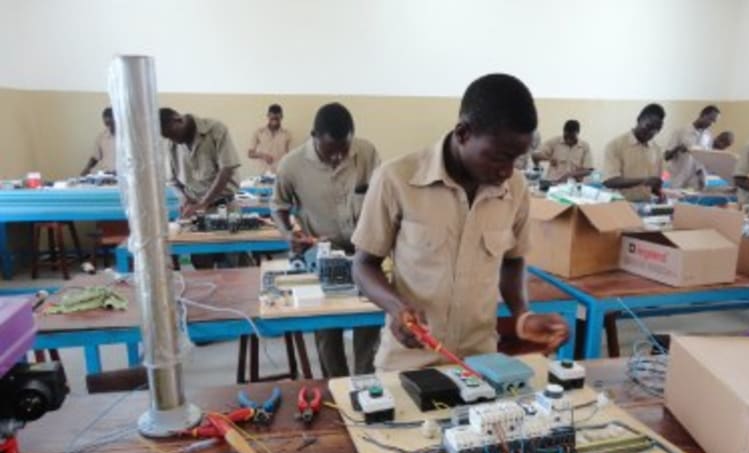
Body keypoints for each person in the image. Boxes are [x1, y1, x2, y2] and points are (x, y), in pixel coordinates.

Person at [351, 73, 570, 372]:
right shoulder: (397, 179)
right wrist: (396, 307)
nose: (507, 171)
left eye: (517, 160)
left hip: (480, 363)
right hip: (408, 362)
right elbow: (363, 265)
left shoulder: (515, 189)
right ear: (463, 133)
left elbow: (513, 259)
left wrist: (522, 314)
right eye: (500, 157)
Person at [271, 103, 382, 377]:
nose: (338, 158)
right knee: (326, 320)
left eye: (344, 150)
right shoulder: (292, 165)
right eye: (331, 151)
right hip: (320, 251)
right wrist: (289, 234)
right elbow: (278, 206)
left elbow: (383, 198)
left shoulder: (367, 153)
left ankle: (366, 382)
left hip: (363, 249)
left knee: (368, 317)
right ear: (314, 136)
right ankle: (337, 384)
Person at [159, 108, 241, 268]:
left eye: (173, 134)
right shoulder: (172, 144)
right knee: (202, 266)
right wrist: (185, 198)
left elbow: (227, 169)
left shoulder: (215, 129)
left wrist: (204, 202)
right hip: (196, 214)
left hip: (225, 209)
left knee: (231, 266)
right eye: (168, 137)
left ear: (178, 119)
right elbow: (172, 181)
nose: (173, 140)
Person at [603, 103, 666, 202]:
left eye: (656, 130)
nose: (651, 133)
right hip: (618, 206)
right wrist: (644, 181)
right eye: (648, 126)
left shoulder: (657, 150)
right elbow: (610, 181)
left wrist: (659, 193)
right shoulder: (616, 145)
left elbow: (653, 186)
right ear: (639, 119)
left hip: (645, 205)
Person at [664, 105, 719, 190]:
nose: (711, 124)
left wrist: (702, 176)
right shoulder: (681, 131)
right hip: (678, 179)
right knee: (676, 202)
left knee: (694, 202)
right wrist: (678, 148)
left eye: (714, 122)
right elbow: (666, 156)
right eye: (710, 119)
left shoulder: (708, 136)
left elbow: (705, 160)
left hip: (696, 181)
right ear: (702, 115)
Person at [248, 104, 292, 174]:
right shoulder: (259, 132)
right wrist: (263, 156)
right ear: (268, 116)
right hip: (263, 174)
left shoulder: (287, 134)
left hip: (281, 173)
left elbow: (288, 156)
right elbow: (250, 154)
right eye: (272, 116)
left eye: (277, 117)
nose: (274, 119)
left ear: (281, 117)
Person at [80, 107, 115, 176]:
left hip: (121, 176)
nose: (109, 125)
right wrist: (86, 170)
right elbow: (95, 157)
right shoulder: (101, 137)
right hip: (106, 175)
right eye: (106, 123)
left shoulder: (126, 138)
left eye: (110, 121)